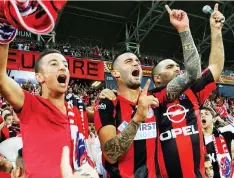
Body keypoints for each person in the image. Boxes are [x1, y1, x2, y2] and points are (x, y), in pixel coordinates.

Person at [99, 4, 225, 178]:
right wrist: (137, 119)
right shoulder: (108, 103)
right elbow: (111, 155)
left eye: (137, 60)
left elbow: (193, 73)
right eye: (129, 61)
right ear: (115, 73)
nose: (136, 63)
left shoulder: (155, 98)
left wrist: (184, 30)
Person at [0, 45, 93, 177]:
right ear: (39, 77)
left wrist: (111, 98)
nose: (63, 67)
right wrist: (4, 36)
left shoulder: (76, 111)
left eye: (65, 65)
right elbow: (1, 79)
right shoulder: (31, 104)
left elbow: (102, 117)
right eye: (54, 64)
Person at [201, 106, 233, 178]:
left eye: (206, 113)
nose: (203, 116)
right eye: (200, 114)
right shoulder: (195, 141)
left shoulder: (225, 131)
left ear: (213, 118)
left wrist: (223, 121)